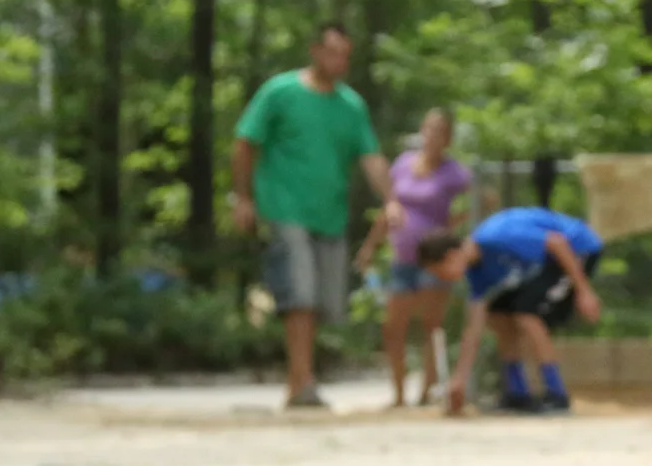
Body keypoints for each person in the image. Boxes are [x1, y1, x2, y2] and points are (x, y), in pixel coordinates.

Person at [231, 24, 401, 408]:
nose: (338, 60)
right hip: (285, 208)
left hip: (330, 215)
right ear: (315, 51)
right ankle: (301, 382)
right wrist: (243, 197)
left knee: (325, 304)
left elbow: (370, 156)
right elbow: (244, 143)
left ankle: (300, 379)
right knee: (301, 294)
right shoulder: (280, 92)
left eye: (345, 54)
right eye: (332, 51)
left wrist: (390, 200)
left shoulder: (351, 105)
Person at [420, 206, 604, 415]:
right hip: (549, 260)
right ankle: (518, 393)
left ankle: (556, 394)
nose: (440, 278)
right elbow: (474, 327)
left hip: (577, 249)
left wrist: (584, 291)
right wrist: (459, 379)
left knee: (527, 314)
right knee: (498, 313)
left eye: (438, 271)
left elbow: (556, 242)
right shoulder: (477, 272)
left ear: (452, 256)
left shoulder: (496, 238)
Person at [353, 108, 473, 407]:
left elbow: (482, 200)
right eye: (429, 129)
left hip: (434, 260)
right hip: (402, 257)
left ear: (448, 138)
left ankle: (427, 389)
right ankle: (398, 393)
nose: (432, 136)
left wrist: (452, 228)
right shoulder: (403, 165)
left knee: (431, 323)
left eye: (440, 131)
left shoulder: (454, 173)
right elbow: (389, 207)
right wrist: (370, 246)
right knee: (393, 325)